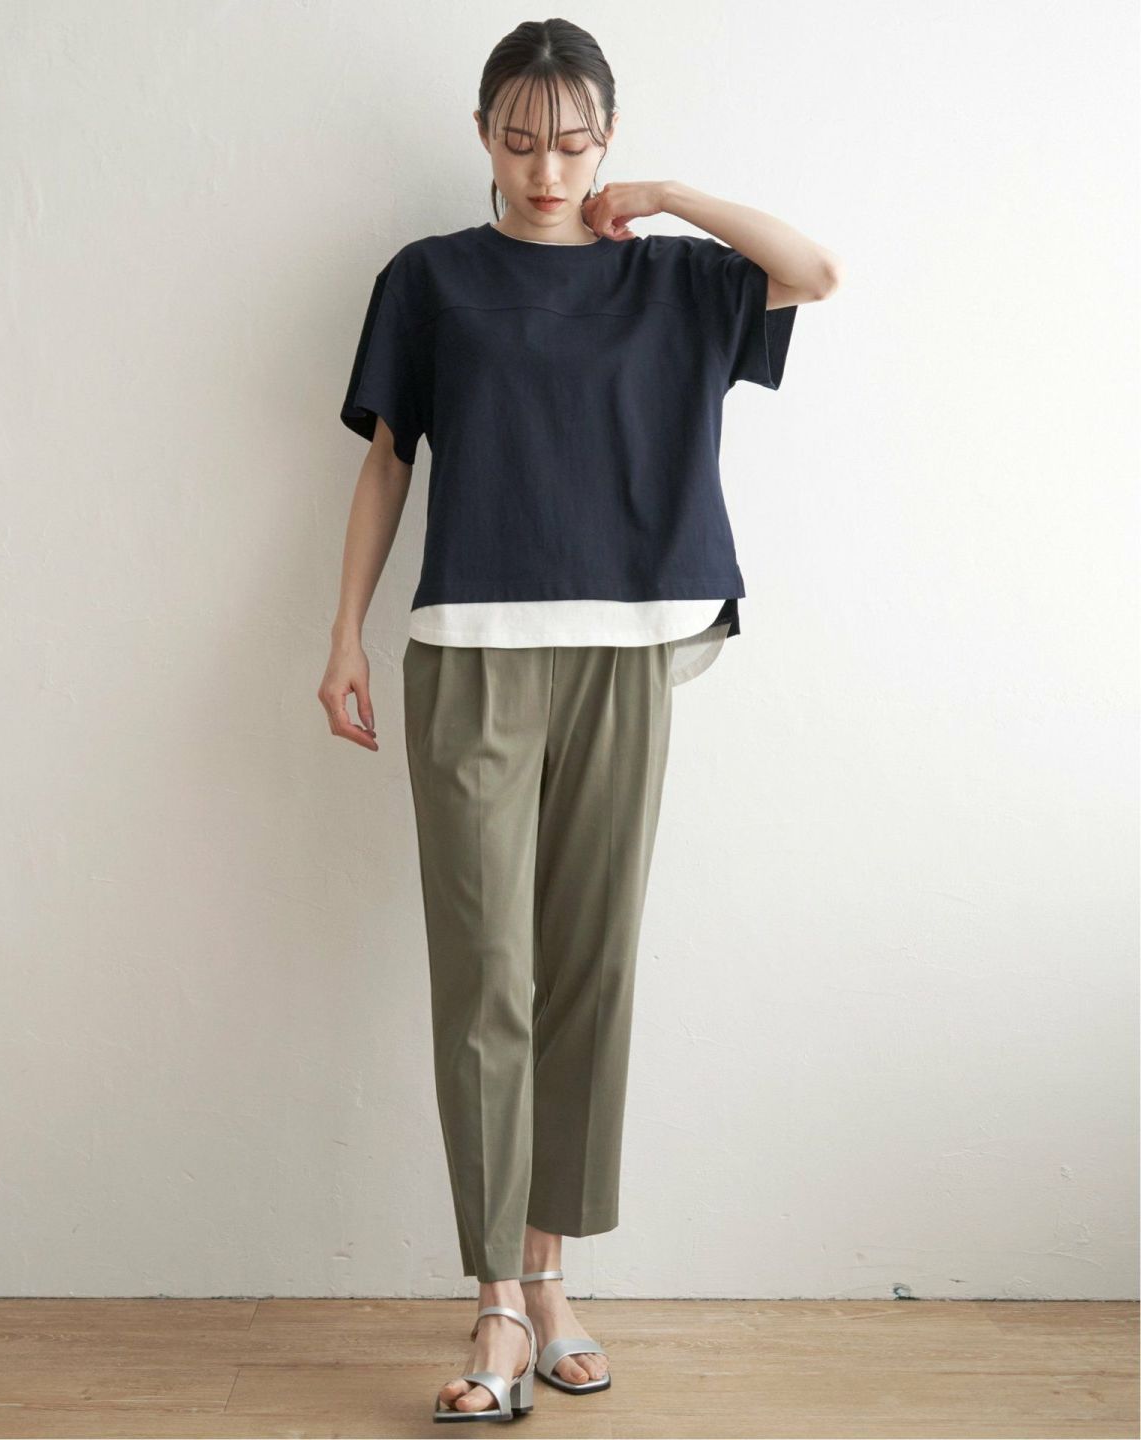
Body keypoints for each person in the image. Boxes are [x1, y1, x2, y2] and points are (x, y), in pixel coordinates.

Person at [319, 18, 843, 1424]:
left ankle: (552, 1279)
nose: (545, 169)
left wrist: (665, 196)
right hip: (471, 653)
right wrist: (344, 633)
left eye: (572, 142)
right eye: (518, 139)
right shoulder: (430, 279)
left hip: (626, 649)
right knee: (486, 974)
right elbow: (387, 464)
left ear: (606, 138)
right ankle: (495, 1299)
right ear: (482, 134)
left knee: (590, 968)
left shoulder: (671, 278)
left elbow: (815, 272)